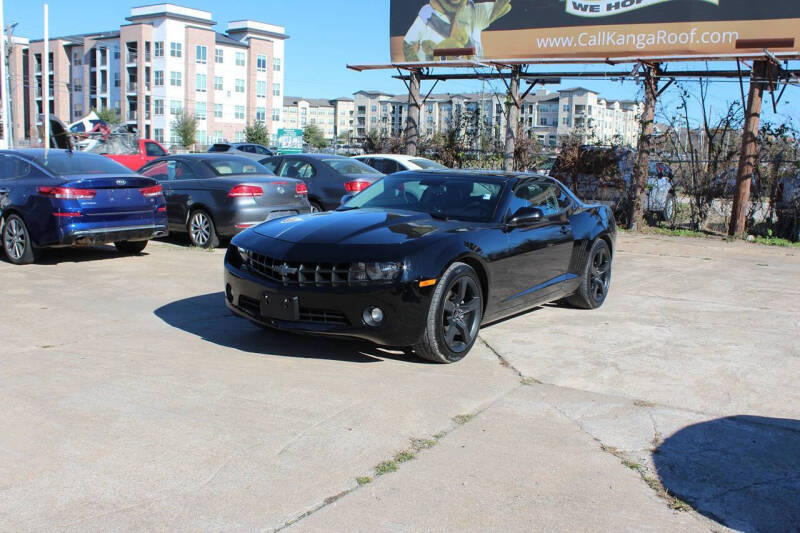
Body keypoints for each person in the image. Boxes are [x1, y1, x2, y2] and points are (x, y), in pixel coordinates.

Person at [403, 0, 512, 61]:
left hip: (472, 62)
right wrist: (417, 64)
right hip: (432, 64)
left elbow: (499, 7)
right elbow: (407, 44)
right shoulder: (427, 12)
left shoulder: (471, 10)